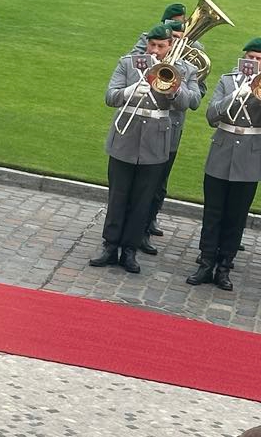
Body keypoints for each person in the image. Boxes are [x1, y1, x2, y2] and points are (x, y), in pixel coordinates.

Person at [91, 24, 197, 274]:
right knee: (118, 195)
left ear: (171, 45)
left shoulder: (184, 70)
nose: (156, 50)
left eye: (161, 46)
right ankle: (110, 245)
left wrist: (174, 90)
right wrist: (129, 91)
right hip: (125, 137)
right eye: (152, 45)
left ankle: (129, 250)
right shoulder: (129, 63)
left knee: (142, 199)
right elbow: (110, 96)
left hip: (155, 140)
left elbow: (191, 103)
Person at [186, 39, 261, 292]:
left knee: (236, 216)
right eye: (251, 57)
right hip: (221, 151)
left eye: (259, 59)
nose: (254, 62)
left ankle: (225, 266)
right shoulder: (228, 81)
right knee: (213, 212)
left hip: (250, 157)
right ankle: (206, 262)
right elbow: (211, 116)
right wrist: (236, 94)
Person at [131, 19, 205, 256]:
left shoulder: (192, 60)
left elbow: (197, 95)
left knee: (158, 184)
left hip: (170, 128)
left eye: (179, 34)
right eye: (173, 34)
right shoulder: (146, 47)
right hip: (142, 127)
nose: (178, 38)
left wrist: (176, 83)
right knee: (135, 185)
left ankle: (145, 227)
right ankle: (129, 231)